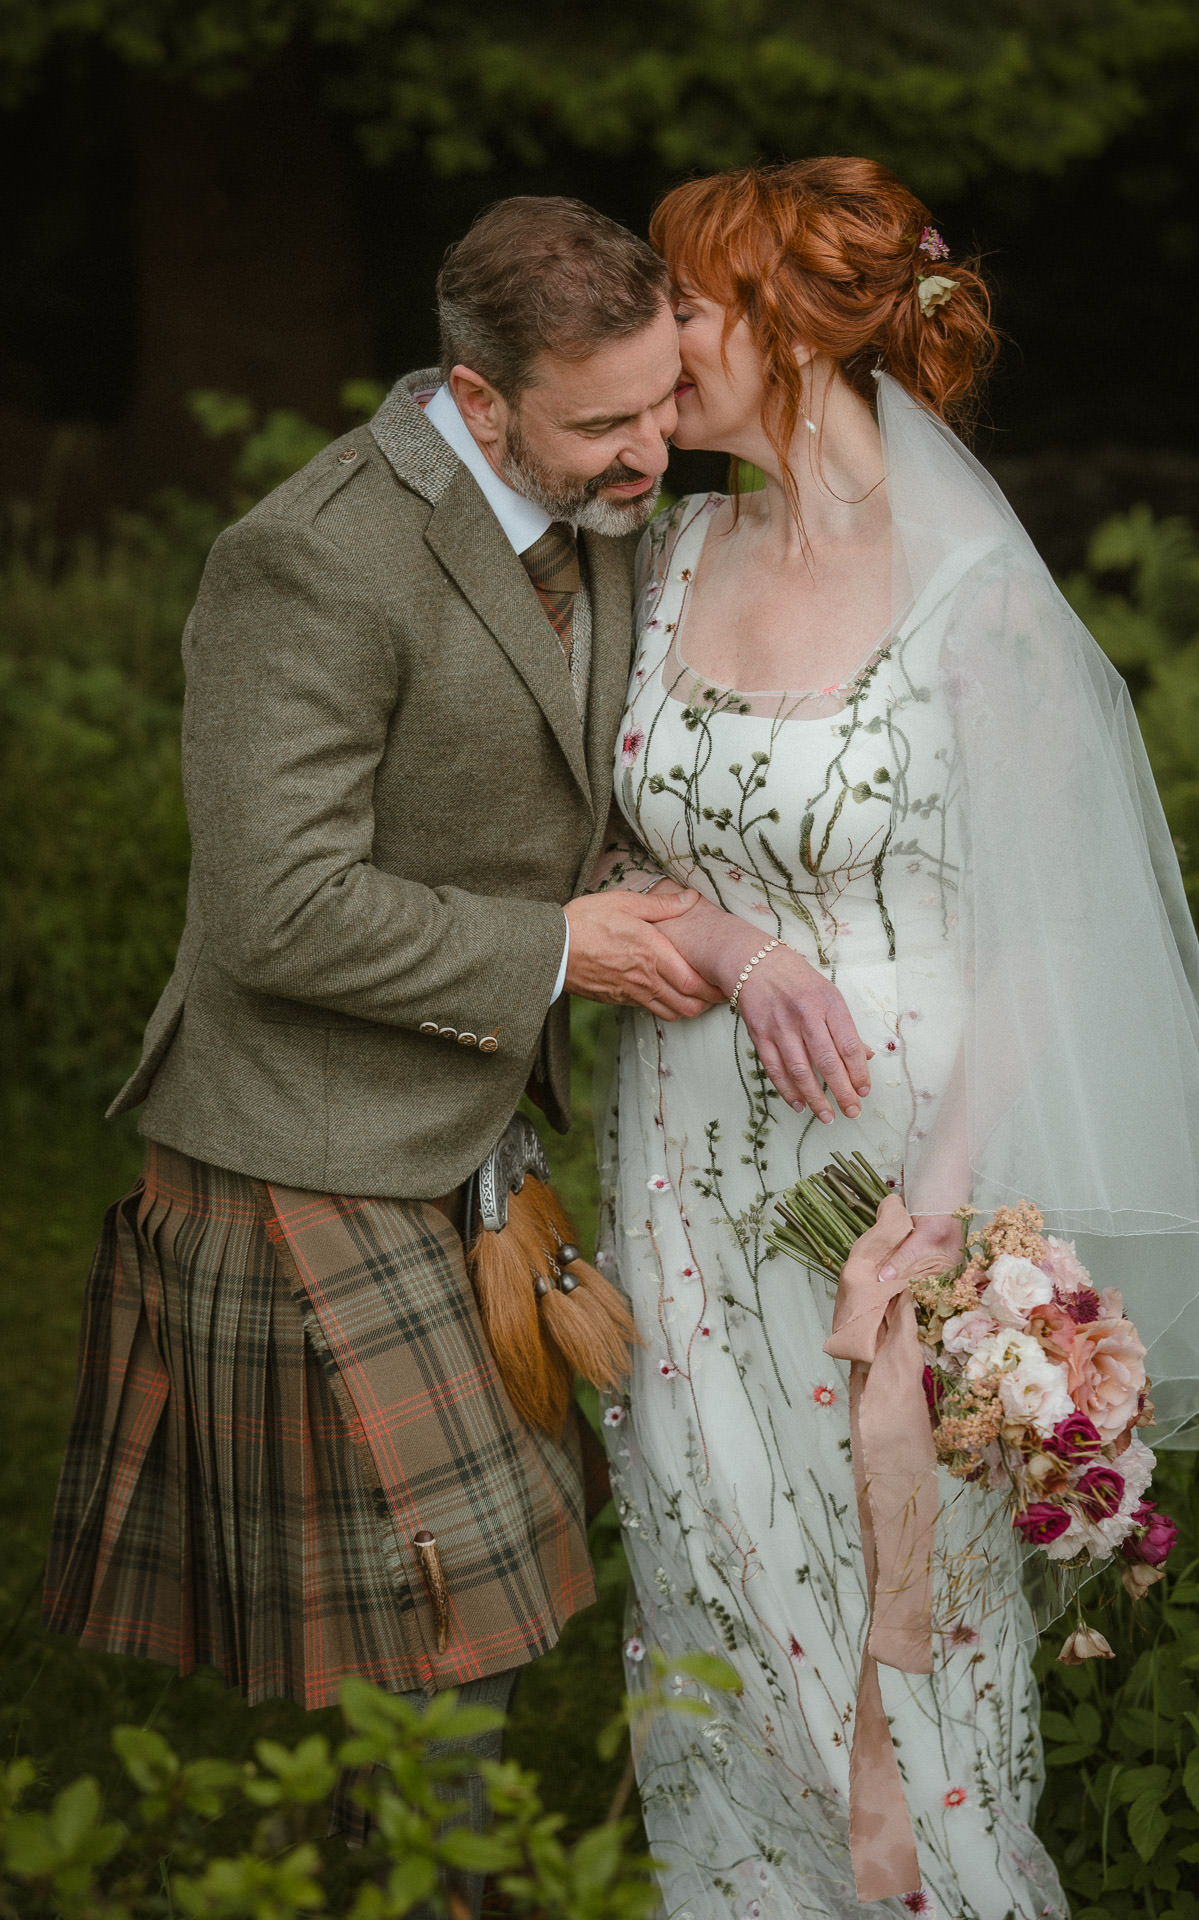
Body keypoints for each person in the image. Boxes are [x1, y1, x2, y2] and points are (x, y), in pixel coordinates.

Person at [592, 157, 1199, 1918]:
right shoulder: (671, 555)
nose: (657, 338)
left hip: (888, 1172)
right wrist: (732, 942)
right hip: (676, 1154)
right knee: (717, 1571)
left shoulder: (973, 600)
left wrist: (941, 1217)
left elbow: (1048, 932)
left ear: (790, 331)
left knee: (898, 1607)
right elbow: (613, 841)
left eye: (687, 303)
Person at [41, 194, 718, 1912]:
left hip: (470, 1137)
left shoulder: (612, 508)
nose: (654, 451)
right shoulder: (314, 557)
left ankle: (402, 1884)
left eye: (663, 399)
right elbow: (278, 907)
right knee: (451, 1617)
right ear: (477, 402)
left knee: (464, 1626)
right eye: (604, 422)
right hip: (303, 1144)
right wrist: (560, 948)